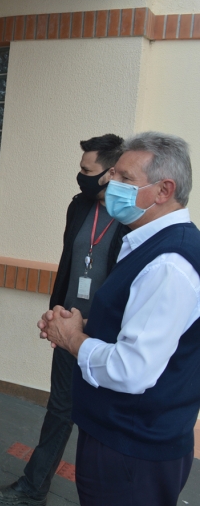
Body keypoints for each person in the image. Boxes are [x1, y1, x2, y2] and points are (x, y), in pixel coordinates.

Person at [38, 132, 200, 506]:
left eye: (126, 179)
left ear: (163, 191)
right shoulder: (148, 243)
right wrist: (79, 324)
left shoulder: (169, 265)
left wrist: (73, 339)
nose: (111, 184)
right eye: (114, 175)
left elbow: (132, 369)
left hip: (133, 451)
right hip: (122, 439)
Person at [0, 134, 128, 505]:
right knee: (59, 410)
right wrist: (55, 315)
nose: (79, 176)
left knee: (106, 420)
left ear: (111, 173)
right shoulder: (79, 207)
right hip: (68, 326)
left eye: (87, 170)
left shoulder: (133, 219)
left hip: (109, 337)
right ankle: (33, 486)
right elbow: (69, 266)